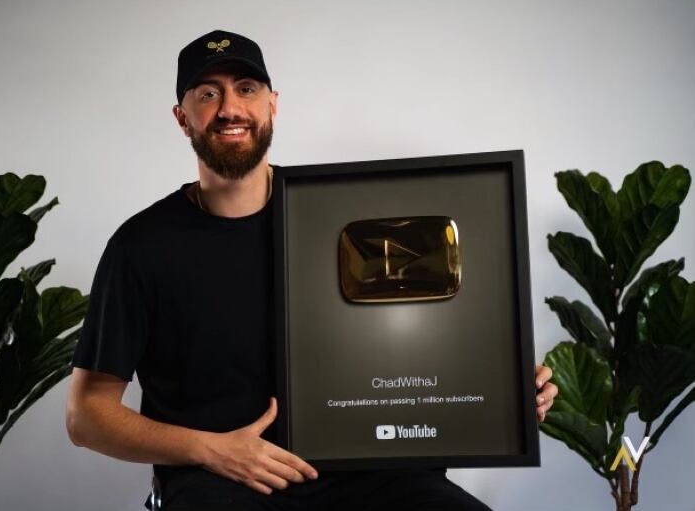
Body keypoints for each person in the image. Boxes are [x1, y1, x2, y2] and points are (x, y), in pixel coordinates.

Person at [66, 29, 558, 511]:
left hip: (370, 472)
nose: (230, 108)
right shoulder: (142, 246)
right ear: (182, 117)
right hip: (219, 481)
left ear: (273, 103)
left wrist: (505, 394)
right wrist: (211, 449)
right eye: (208, 93)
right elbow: (87, 415)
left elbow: (414, 334)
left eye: (246, 89)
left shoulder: (338, 216)